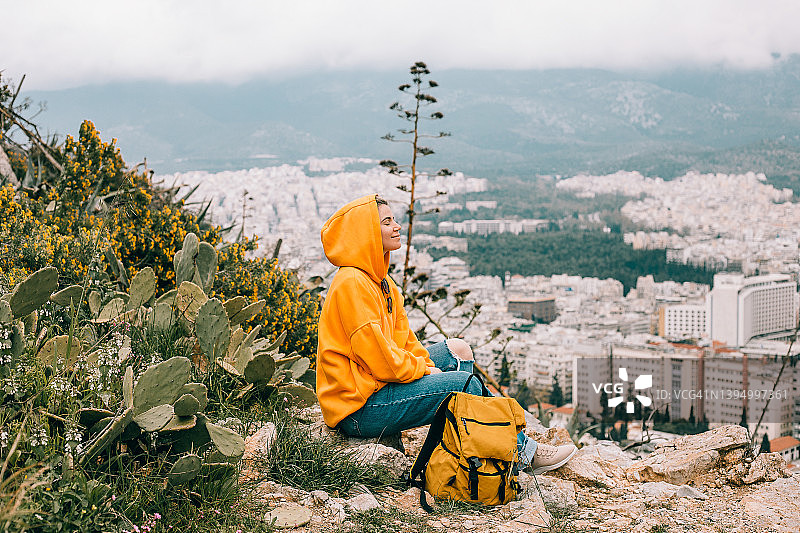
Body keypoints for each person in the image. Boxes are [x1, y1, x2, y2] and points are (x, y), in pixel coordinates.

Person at [316, 194, 576, 473]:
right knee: (465, 385)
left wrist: (426, 365)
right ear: (366, 233)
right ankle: (523, 453)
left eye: (394, 219)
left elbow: (406, 341)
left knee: (458, 351)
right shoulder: (352, 284)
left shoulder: (382, 282)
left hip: (376, 384)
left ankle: (464, 444)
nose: (397, 226)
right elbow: (380, 359)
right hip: (359, 409)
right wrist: (425, 371)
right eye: (387, 222)